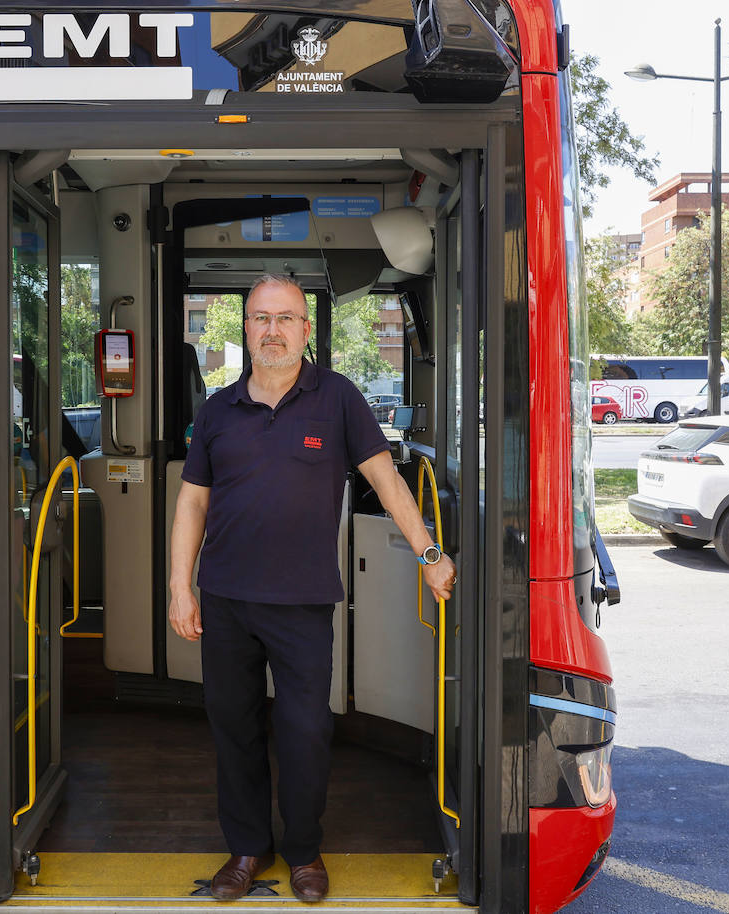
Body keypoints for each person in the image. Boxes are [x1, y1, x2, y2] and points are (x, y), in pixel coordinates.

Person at [169, 275, 456, 903]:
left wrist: (428, 552)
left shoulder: (339, 398)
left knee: (304, 733)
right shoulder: (218, 411)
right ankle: (247, 850)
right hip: (226, 599)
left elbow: (386, 481)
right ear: (244, 328)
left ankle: (303, 850)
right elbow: (192, 502)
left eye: (286, 318)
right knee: (235, 730)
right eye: (260, 319)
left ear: (305, 329)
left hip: (302, 604)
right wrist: (179, 587)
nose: (272, 330)